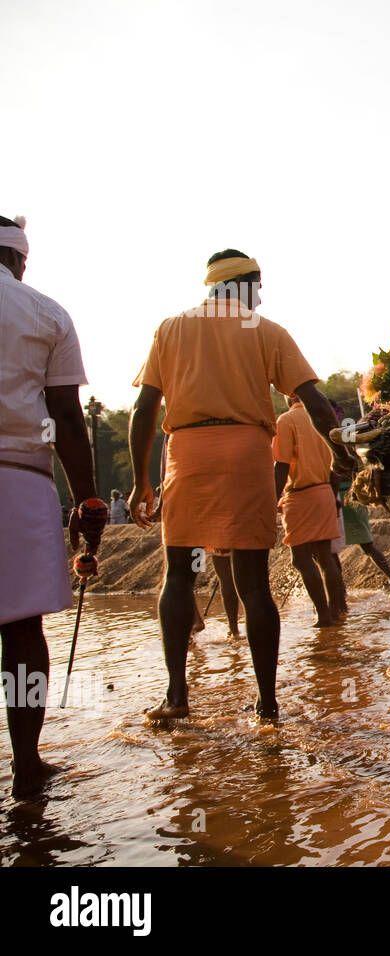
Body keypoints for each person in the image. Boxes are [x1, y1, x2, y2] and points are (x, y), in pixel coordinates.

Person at [128, 249, 345, 721]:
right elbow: (317, 401)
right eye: (258, 286)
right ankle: (267, 704)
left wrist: (140, 482)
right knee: (254, 584)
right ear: (244, 284)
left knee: (180, 575)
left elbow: (144, 409)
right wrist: (342, 454)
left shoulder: (171, 328)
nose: (261, 297)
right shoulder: (267, 332)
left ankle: (176, 697)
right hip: (247, 453)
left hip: (187, 455)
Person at [0, 214, 106, 798]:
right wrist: (87, 497)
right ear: (19, 260)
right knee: (21, 631)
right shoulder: (46, 312)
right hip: (16, 477)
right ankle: (27, 765)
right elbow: (66, 415)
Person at [275, 394, 348, 627]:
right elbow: (338, 463)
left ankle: (323, 615)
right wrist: (333, 495)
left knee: (301, 559)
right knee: (325, 557)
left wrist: (272, 499)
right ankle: (336, 611)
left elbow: (281, 465)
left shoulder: (286, 421)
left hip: (300, 494)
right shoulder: (323, 420)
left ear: (289, 397)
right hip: (326, 491)